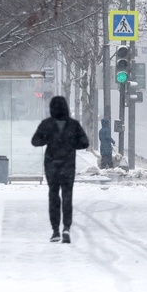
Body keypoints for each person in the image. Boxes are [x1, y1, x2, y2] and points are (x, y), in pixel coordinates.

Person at [31, 96, 89, 243]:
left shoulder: (47, 124)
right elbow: (84, 143)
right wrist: (70, 144)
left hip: (52, 165)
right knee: (67, 197)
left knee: (53, 197)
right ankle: (66, 228)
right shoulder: (73, 125)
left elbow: (35, 141)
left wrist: (48, 139)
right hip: (68, 165)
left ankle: (55, 230)